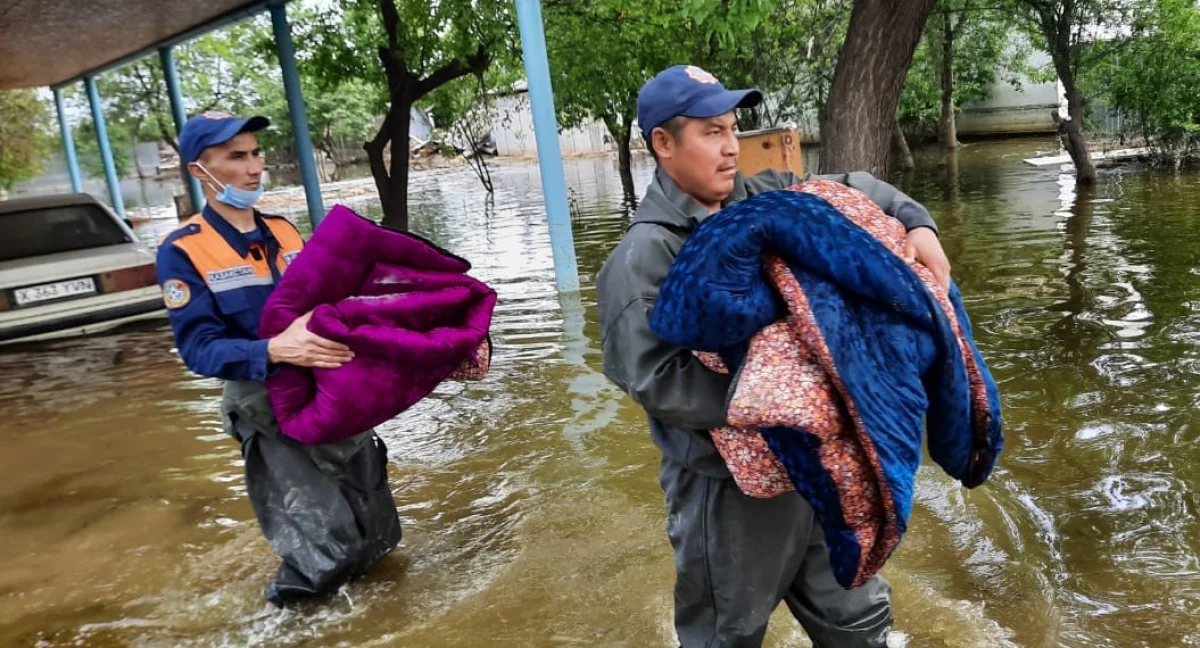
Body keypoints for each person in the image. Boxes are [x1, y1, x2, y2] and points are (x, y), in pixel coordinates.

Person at [596, 65, 952, 647]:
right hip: (727, 498)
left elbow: (856, 188)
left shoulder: (771, 199)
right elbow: (656, 377)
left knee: (860, 621)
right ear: (663, 143)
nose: (732, 147)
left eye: (733, 129)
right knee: (725, 635)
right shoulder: (643, 256)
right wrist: (791, 397)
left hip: (819, 471)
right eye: (712, 132)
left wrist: (917, 224)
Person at [155, 111, 401, 606]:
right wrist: (271, 349)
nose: (253, 168)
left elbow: (330, 309)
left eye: (256, 154)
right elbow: (198, 350)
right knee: (323, 549)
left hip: (331, 398)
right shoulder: (183, 251)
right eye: (236, 157)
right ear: (199, 169)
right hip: (266, 411)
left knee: (376, 534)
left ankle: (381, 622)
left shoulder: (285, 232)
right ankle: (284, 630)